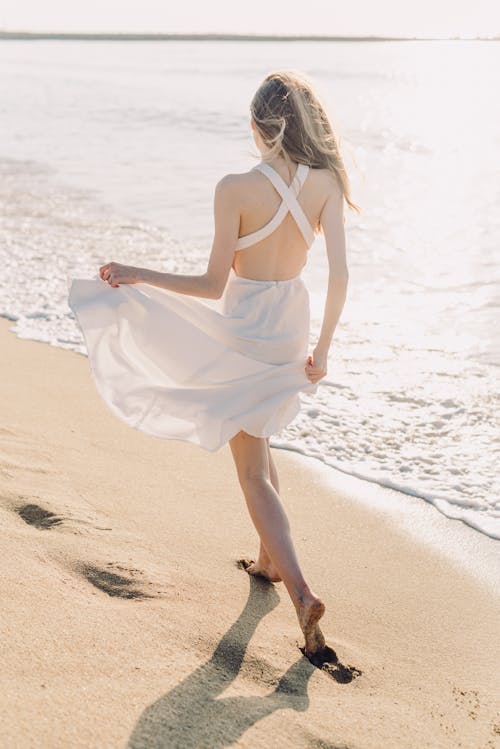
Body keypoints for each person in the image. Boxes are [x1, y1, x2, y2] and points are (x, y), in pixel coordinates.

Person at [68, 70, 357, 658]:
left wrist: (139, 273)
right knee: (260, 436)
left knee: (250, 467)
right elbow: (342, 276)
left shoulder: (235, 187)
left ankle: (301, 590)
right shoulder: (327, 181)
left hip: (245, 323)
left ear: (258, 127)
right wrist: (323, 350)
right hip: (290, 324)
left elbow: (210, 283)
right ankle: (268, 562)